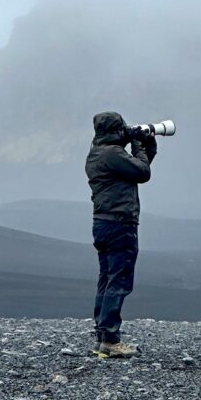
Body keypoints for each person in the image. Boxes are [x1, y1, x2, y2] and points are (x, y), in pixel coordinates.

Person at [85, 111, 156, 358]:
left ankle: (102, 335)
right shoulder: (113, 154)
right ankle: (111, 341)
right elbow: (143, 173)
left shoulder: (97, 153)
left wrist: (146, 145)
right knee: (119, 279)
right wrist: (137, 142)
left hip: (103, 223)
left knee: (107, 278)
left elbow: (137, 168)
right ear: (116, 130)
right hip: (120, 224)